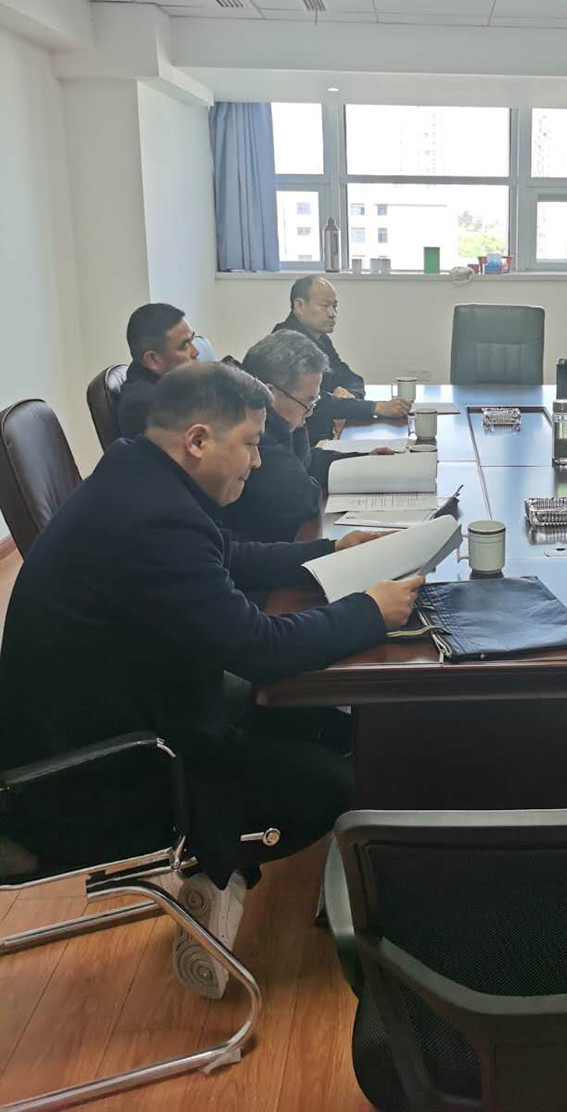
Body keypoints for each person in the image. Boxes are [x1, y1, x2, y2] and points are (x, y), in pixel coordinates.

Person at [0, 361, 422, 999]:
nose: (257, 460)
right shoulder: (152, 521)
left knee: (319, 721)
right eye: (250, 443)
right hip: (89, 779)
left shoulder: (137, 474)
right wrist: (371, 610)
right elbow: (259, 648)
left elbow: (230, 555)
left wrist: (333, 551)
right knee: (329, 785)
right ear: (197, 440)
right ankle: (216, 869)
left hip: (119, 711)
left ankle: (221, 869)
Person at [226, 330, 391, 544]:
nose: (311, 412)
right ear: (270, 393)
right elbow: (303, 499)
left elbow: (309, 462)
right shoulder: (255, 438)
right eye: (308, 402)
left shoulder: (278, 420)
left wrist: (361, 459)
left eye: (315, 402)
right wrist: (305, 465)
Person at [273, 276, 410, 442]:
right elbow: (312, 401)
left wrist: (349, 396)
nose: (332, 314)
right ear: (299, 306)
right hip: (299, 442)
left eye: (335, 306)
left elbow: (351, 378)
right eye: (325, 306)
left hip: (324, 436)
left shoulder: (321, 339)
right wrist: (377, 407)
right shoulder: (285, 344)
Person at [117, 302, 200, 438]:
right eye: (185, 345)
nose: (196, 352)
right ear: (153, 359)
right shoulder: (145, 407)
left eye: (192, 340)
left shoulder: (171, 384)